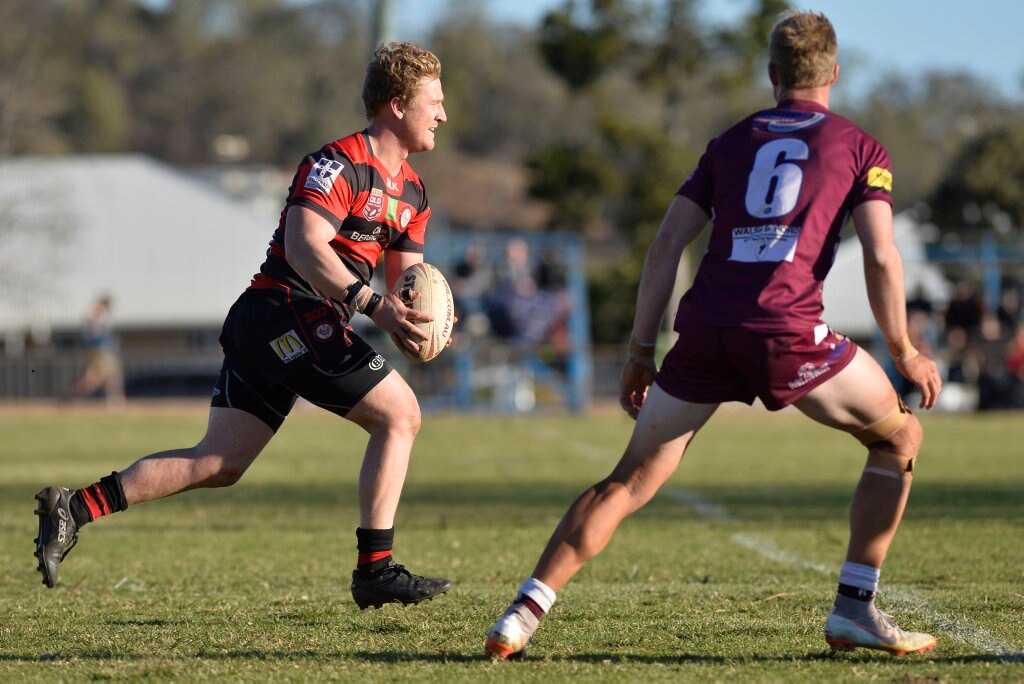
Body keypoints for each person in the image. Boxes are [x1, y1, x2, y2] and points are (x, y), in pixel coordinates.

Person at [485, 11, 943, 659]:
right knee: (900, 436)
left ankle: (520, 615)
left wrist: (641, 350)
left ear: (772, 75)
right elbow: (882, 256)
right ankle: (854, 608)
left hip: (703, 330)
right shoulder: (861, 147)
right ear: (835, 73)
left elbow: (666, 245)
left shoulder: (730, 141)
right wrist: (904, 350)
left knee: (628, 482)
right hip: (786, 329)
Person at [34, 42, 453, 610]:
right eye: (435, 101)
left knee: (220, 462)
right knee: (401, 415)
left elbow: (409, 283)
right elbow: (306, 247)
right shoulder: (339, 163)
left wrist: (414, 321)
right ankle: (375, 569)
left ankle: (75, 507)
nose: (443, 115)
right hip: (284, 309)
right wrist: (371, 304)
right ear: (397, 105)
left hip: (296, 320)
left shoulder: (415, 193)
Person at [67, 295, 125, 407]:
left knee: (99, 377)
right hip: (101, 350)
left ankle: (73, 394)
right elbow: (93, 331)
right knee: (109, 376)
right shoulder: (98, 311)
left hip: (101, 349)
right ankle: (115, 402)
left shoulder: (99, 312)